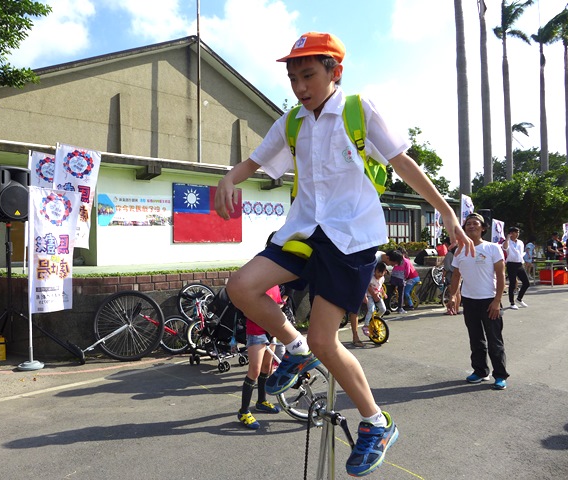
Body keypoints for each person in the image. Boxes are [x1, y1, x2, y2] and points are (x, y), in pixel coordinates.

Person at [214, 31, 473, 476]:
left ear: (336, 71)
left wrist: (446, 211)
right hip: (303, 230)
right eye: (293, 77)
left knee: (324, 339)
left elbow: (403, 162)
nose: (299, 87)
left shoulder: (358, 111)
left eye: (308, 75)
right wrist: (227, 178)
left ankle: (377, 422)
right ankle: (295, 349)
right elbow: (254, 161)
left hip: (350, 238)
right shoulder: (292, 121)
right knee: (241, 286)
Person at [447, 213, 508, 390]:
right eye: (468, 224)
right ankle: (480, 371)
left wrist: (497, 300)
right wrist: (452, 296)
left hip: (489, 300)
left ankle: (500, 375)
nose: (471, 226)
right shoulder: (459, 250)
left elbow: (500, 275)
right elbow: (456, 275)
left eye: (475, 223)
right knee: (476, 339)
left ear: (483, 228)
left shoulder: (492, 248)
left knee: (494, 340)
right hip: (469, 300)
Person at [237, 284, 282, 430]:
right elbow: (247, 309)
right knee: (254, 371)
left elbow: (279, 304)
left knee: (267, 367)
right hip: (257, 331)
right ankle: (243, 411)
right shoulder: (256, 284)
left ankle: (261, 401)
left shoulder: (275, 285)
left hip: (272, 330)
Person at [502, 227, 529, 309]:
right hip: (511, 264)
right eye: (515, 232)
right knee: (512, 283)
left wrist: (522, 263)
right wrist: (507, 238)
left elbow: (520, 253)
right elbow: (505, 248)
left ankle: (519, 299)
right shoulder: (507, 242)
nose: (517, 234)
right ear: (511, 233)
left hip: (519, 264)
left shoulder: (520, 242)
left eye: (518, 232)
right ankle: (512, 302)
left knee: (526, 283)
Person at [362, 263, 387, 337]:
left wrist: (383, 293)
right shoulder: (371, 278)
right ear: (375, 271)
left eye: (382, 273)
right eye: (378, 272)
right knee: (371, 309)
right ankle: (366, 325)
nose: (379, 274)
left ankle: (376, 319)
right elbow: (366, 288)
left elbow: (381, 286)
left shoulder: (382, 278)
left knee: (383, 309)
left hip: (378, 295)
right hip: (370, 296)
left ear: (384, 272)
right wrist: (365, 296)